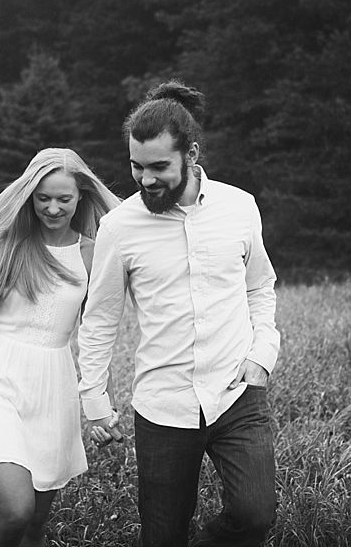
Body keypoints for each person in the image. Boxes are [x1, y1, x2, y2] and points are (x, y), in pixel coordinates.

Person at [77, 80, 281, 546]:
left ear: (191, 153)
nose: (145, 179)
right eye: (136, 166)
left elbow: (260, 286)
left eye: (159, 167)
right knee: (163, 537)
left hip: (237, 395)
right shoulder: (119, 227)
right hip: (163, 407)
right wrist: (93, 399)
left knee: (255, 515)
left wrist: (262, 352)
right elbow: (101, 319)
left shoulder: (240, 207)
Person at [0, 147, 120, 546]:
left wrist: (99, 406)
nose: (53, 208)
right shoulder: (5, 245)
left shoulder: (93, 253)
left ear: (81, 196)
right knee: (15, 511)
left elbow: (97, 333)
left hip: (54, 387)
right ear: (29, 196)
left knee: (36, 523)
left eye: (64, 198)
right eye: (43, 198)